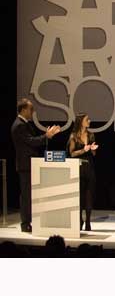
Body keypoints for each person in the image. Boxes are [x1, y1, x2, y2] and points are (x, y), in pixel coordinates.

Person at [10, 98, 61, 232]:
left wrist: (46, 136)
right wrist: (46, 136)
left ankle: (29, 221)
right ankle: (25, 223)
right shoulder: (19, 125)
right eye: (31, 109)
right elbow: (30, 141)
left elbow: (31, 140)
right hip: (25, 165)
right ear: (23, 110)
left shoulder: (25, 124)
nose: (33, 112)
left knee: (30, 195)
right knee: (26, 195)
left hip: (30, 164)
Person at [67, 113, 99, 231]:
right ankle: (80, 220)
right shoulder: (73, 136)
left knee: (89, 195)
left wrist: (93, 150)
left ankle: (88, 221)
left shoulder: (91, 135)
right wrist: (82, 150)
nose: (89, 121)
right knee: (79, 195)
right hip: (78, 167)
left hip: (89, 167)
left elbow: (94, 154)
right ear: (81, 121)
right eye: (87, 119)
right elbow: (71, 154)